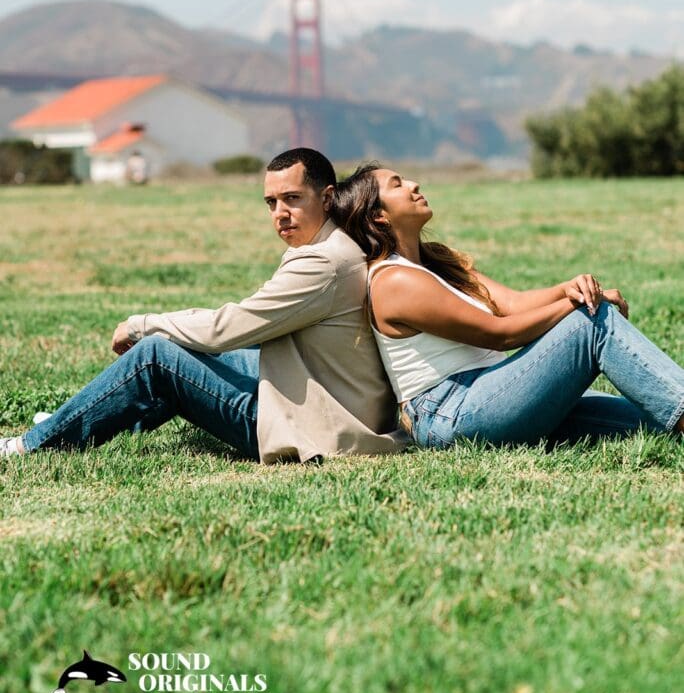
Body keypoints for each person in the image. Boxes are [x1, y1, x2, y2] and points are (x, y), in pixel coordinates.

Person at [0, 149, 407, 463]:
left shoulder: (323, 262)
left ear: (327, 196)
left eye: (292, 199)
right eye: (270, 203)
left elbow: (224, 329)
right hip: (328, 396)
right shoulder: (335, 245)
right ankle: (78, 422)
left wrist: (143, 324)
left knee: (157, 355)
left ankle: (30, 445)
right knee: (189, 345)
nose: (280, 214)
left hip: (315, 427)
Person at [331, 164, 684, 449]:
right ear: (378, 216)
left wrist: (567, 288)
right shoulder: (395, 281)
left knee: (657, 417)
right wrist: (579, 304)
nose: (413, 183)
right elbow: (500, 335)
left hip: (495, 394)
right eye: (397, 185)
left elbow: (511, 305)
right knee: (593, 321)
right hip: (453, 413)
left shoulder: (434, 260)